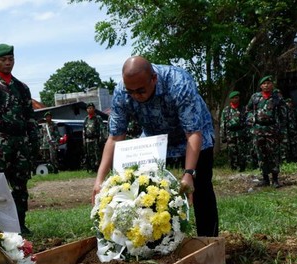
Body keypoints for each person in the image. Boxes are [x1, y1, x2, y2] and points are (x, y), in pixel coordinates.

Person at [92, 56, 219, 237]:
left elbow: (193, 133)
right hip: (155, 140)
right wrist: (99, 179)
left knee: (200, 188)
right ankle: (157, 240)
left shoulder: (179, 82)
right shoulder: (121, 92)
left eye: (141, 91)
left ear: (154, 79)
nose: (136, 96)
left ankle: (208, 241)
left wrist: (189, 173)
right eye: (131, 92)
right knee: (146, 191)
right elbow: (115, 137)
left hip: (194, 136)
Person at [0, 43, 40, 234]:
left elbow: (30, 116)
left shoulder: (22, 88)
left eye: (10, 59)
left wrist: (34, 140)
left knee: (20, 186)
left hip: (20, 143)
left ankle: (20, 223)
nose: (8, 63)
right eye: (3, 60)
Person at [246, 75, 284, 188]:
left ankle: (275, 179)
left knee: (274, 154)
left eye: (268, 83)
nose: (266, 85)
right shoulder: (255, 97)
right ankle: (265, 178)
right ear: (261, 86)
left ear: (272, 85)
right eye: (264, 84)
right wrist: (250, 120)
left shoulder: (277, 97)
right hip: (258, 130)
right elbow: (248, 110)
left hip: (272, 129)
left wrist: (281, 128)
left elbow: (283, 113)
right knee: (261, 154)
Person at [220, 91, 247, 171]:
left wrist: (247, 133)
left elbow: (247, 121)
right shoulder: (226, 110)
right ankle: (233, 168)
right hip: (230, 133)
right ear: (230, 99)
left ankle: (242, 167)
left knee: (241, 151)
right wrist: (223, 136)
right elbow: (223, 123)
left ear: (239, 98)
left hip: (241, 132)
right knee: (232, 151)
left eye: (236, 97)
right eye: (233, 98)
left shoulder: (243, 109)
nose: (235, 99)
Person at [83, 102, 104, 172]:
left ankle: (98, 168)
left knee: (97, 154)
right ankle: (92, 168)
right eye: (88, 108)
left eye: (90, 108)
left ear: (94, 109)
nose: (89, 109)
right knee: (89, 154)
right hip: (88, 140)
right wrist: (84, 140)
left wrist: (101, 138)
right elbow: (84, 130)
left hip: (96, 139)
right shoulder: (86, 119)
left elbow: (102, 128)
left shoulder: (98, 118)